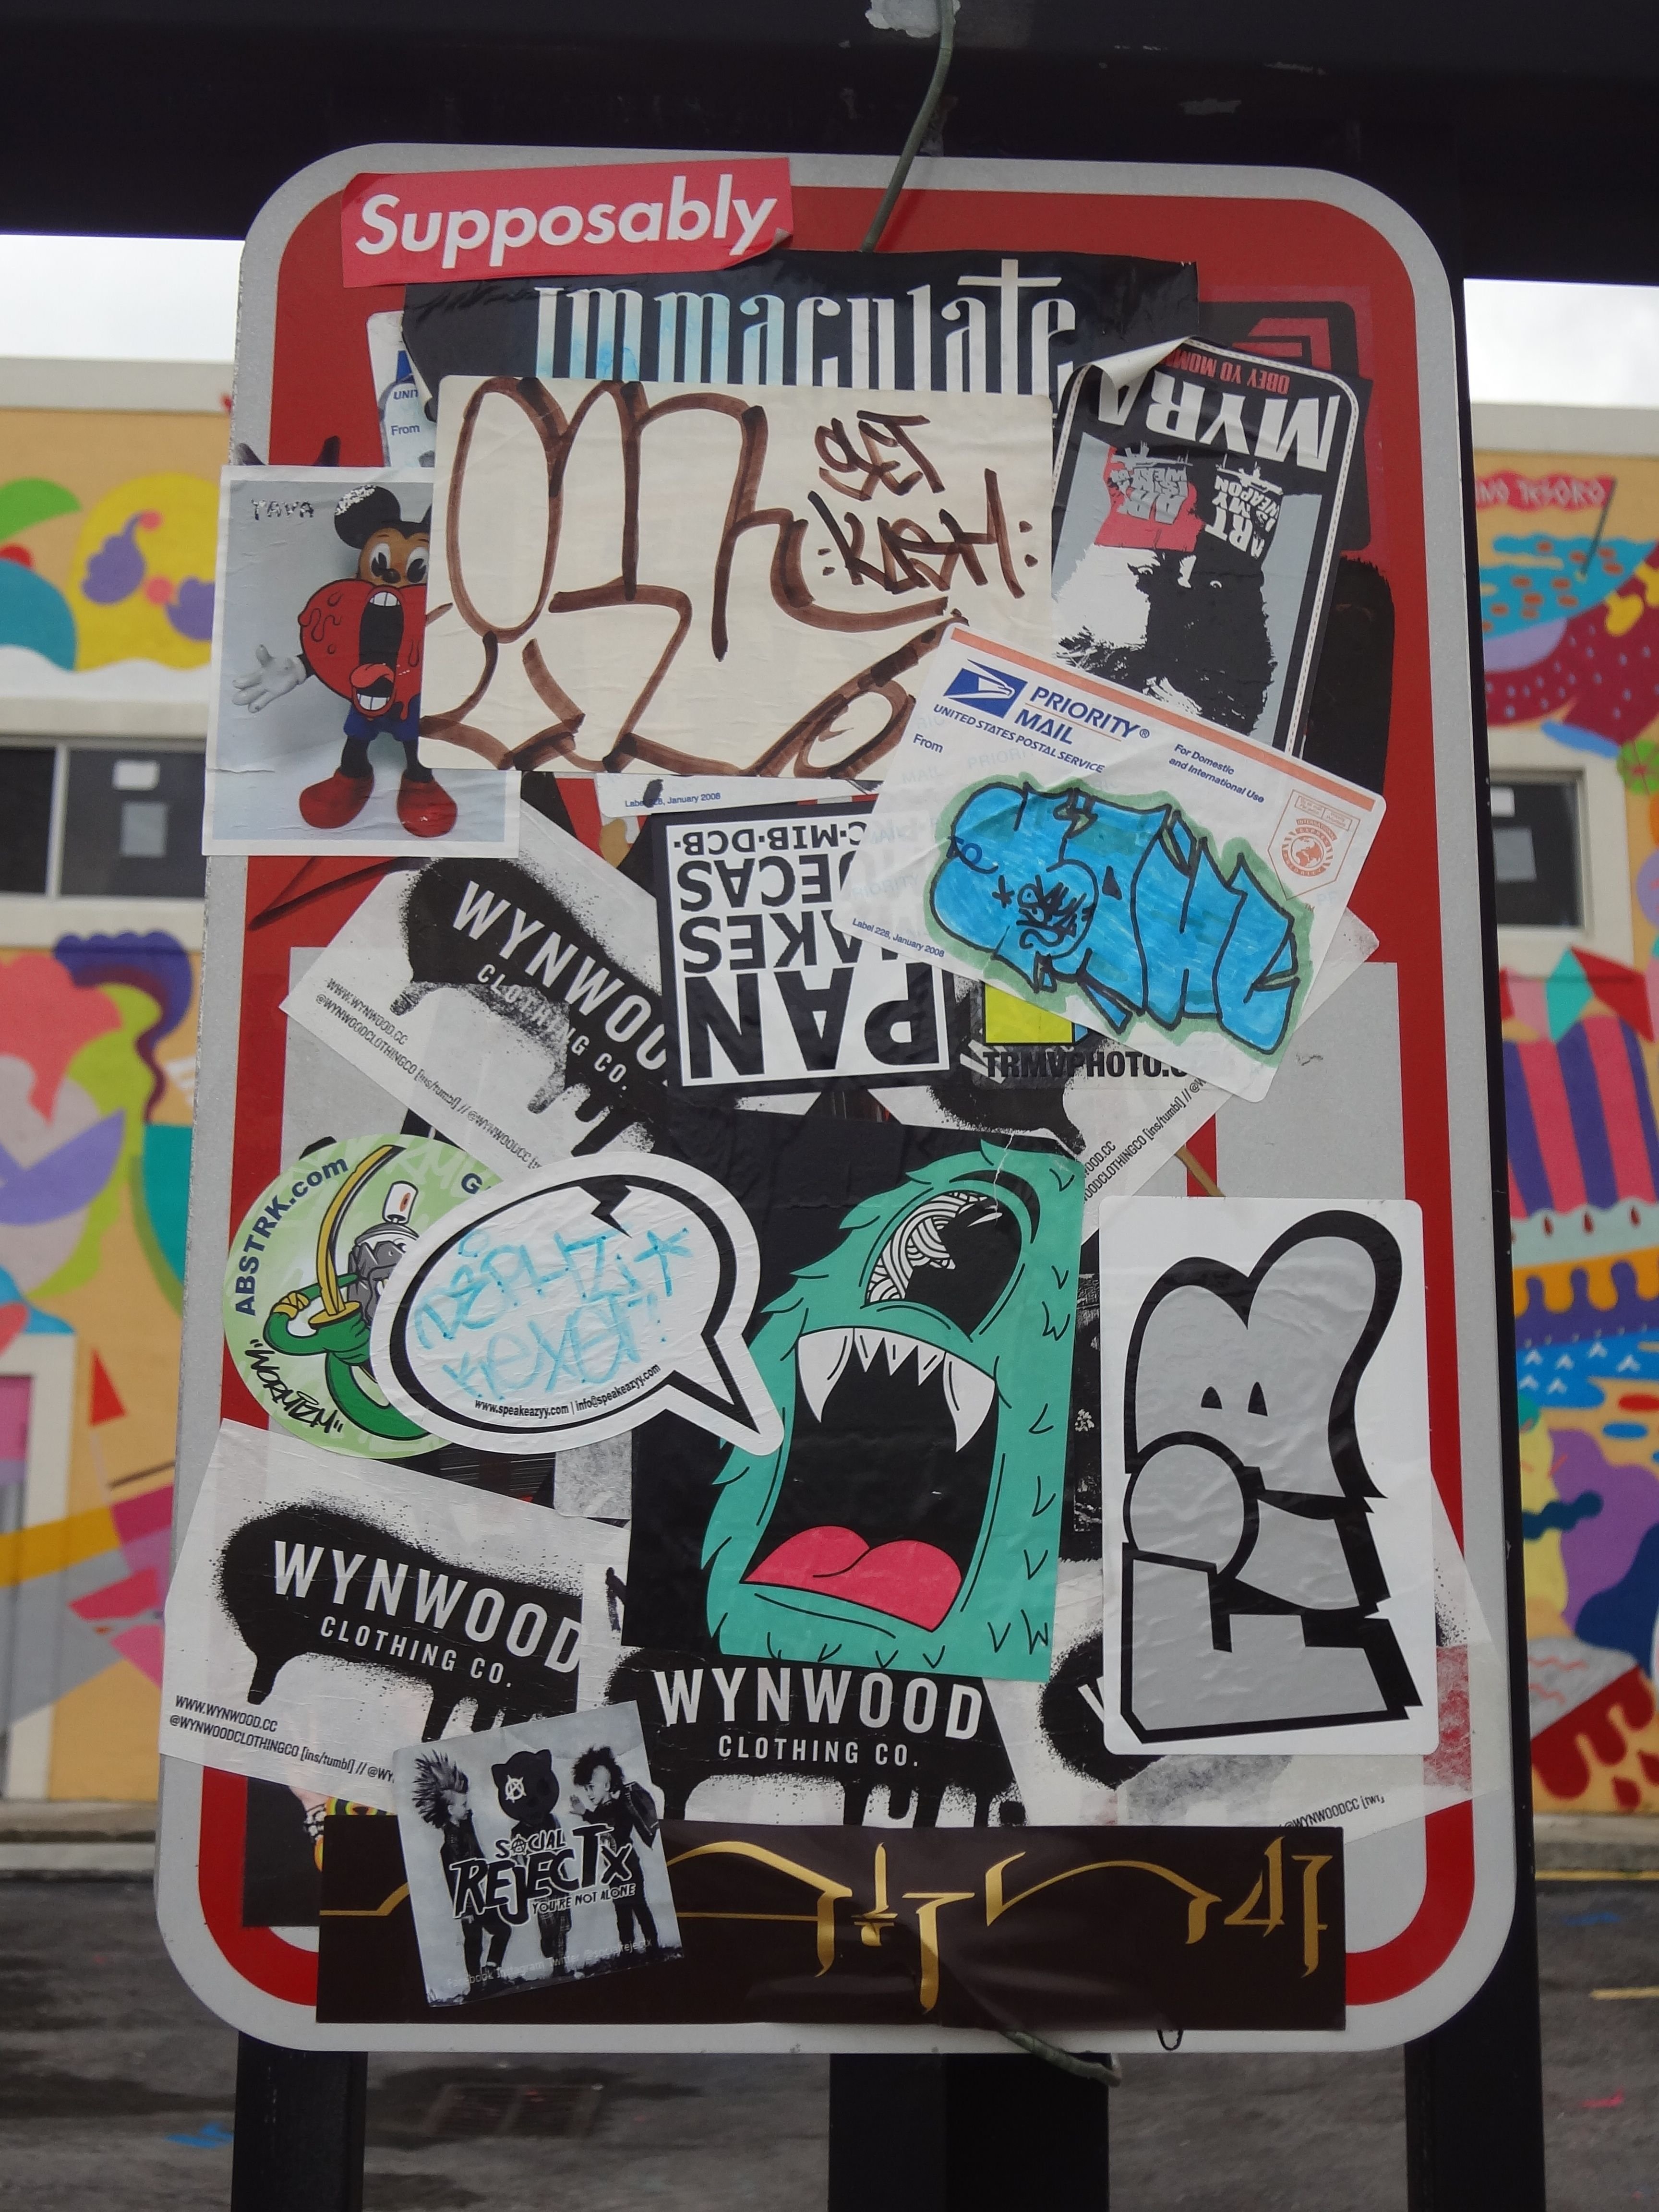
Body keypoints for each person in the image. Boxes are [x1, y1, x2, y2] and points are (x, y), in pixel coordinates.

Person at [571, 1744, 661, 1955]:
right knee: (622, 1911)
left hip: (629, 1868)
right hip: (614, 1872)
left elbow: (612, 1828)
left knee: (639, 1907)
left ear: (607, 1785)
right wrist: (587, 1814)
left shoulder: (619, 1807)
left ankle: (652, 1946)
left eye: (591, 1787)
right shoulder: (602, 1810)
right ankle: (628, 1949)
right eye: (586, 1789)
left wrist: (585, 1814)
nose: (589, 1794)